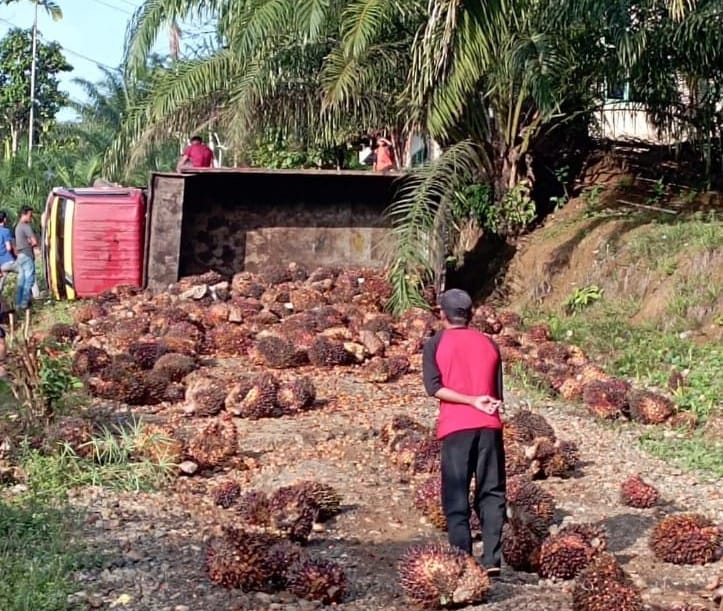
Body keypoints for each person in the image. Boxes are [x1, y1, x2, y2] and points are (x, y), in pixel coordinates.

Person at [422, 288, 506, 576]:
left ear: (442, 313)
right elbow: (496, 393)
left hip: (457, 428)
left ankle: (464, 560)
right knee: (492, 492)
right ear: (470, 314)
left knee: (456, 495)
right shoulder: (489, 344)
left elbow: (434, 388)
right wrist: (482, 402)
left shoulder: (436, 343)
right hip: (490, 427)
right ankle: (492, 559)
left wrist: (470, 400)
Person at [14, 205, 38, 312]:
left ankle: (17, 304)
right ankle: (24, 303)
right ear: (25, 214)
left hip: (20, 256)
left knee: (21, 280)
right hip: (27, 255)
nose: (31, 217)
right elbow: (34, 241)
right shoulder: (26, 226)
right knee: (29, 279)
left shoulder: (17, 227)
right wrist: (31, 242)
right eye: (30, 215)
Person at [0, 211, 17, 291]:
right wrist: (15, 257)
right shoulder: (5, 231)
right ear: (4, 219)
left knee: (1, 284)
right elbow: (9, 248)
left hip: (1, 265)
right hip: (9, 261)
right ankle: (36, 295)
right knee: (27, 271)